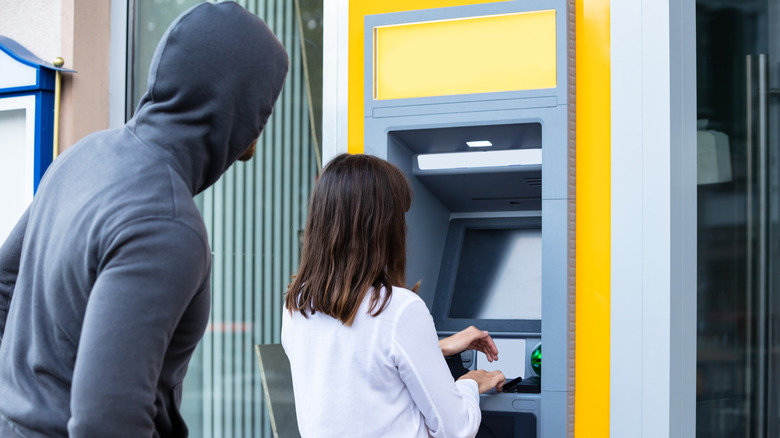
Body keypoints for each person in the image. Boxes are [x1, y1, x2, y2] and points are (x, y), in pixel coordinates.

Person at [0, 2, 288, 437]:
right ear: (240, 110)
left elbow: (4, 286)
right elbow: (107, 422)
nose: (254, 143)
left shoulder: (81, 157)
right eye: (262, 114)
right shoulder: (166, 222)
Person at [282, 153, 506, 438]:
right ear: (383, 227)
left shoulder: (298, 305)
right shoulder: (398, 309)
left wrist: (435, 348)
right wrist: (471, 382)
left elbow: (355, 371)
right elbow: (456, 428)